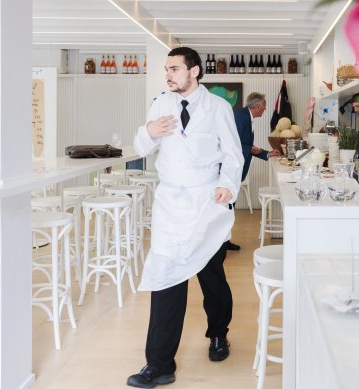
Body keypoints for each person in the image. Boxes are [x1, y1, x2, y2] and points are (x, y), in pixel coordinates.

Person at [128, 47, 243, 388]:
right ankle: (159, 364)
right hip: (171, 205)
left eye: (175, 68)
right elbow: (141, 148)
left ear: (194, 71)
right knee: (166, 278)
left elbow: (233, 156)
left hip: (206, 203)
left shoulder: (219, 108)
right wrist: (149, 131)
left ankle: (219, 334)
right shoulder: (160, 103)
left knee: (212, 277)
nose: (168, 74)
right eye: (167, 69)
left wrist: (227, 186)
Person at [226, 92, 280, 251]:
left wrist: (267, 154)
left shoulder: (245, 116)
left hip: (234, 171)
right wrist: (250, 148)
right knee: (226, 208)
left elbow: (246, 145)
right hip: (229, 171)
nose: (265, 108)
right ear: (257, 106)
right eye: (264, 105)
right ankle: (219, 244)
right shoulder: (241, 117)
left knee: (229, 207)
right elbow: (230, 143)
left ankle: (224, 241)